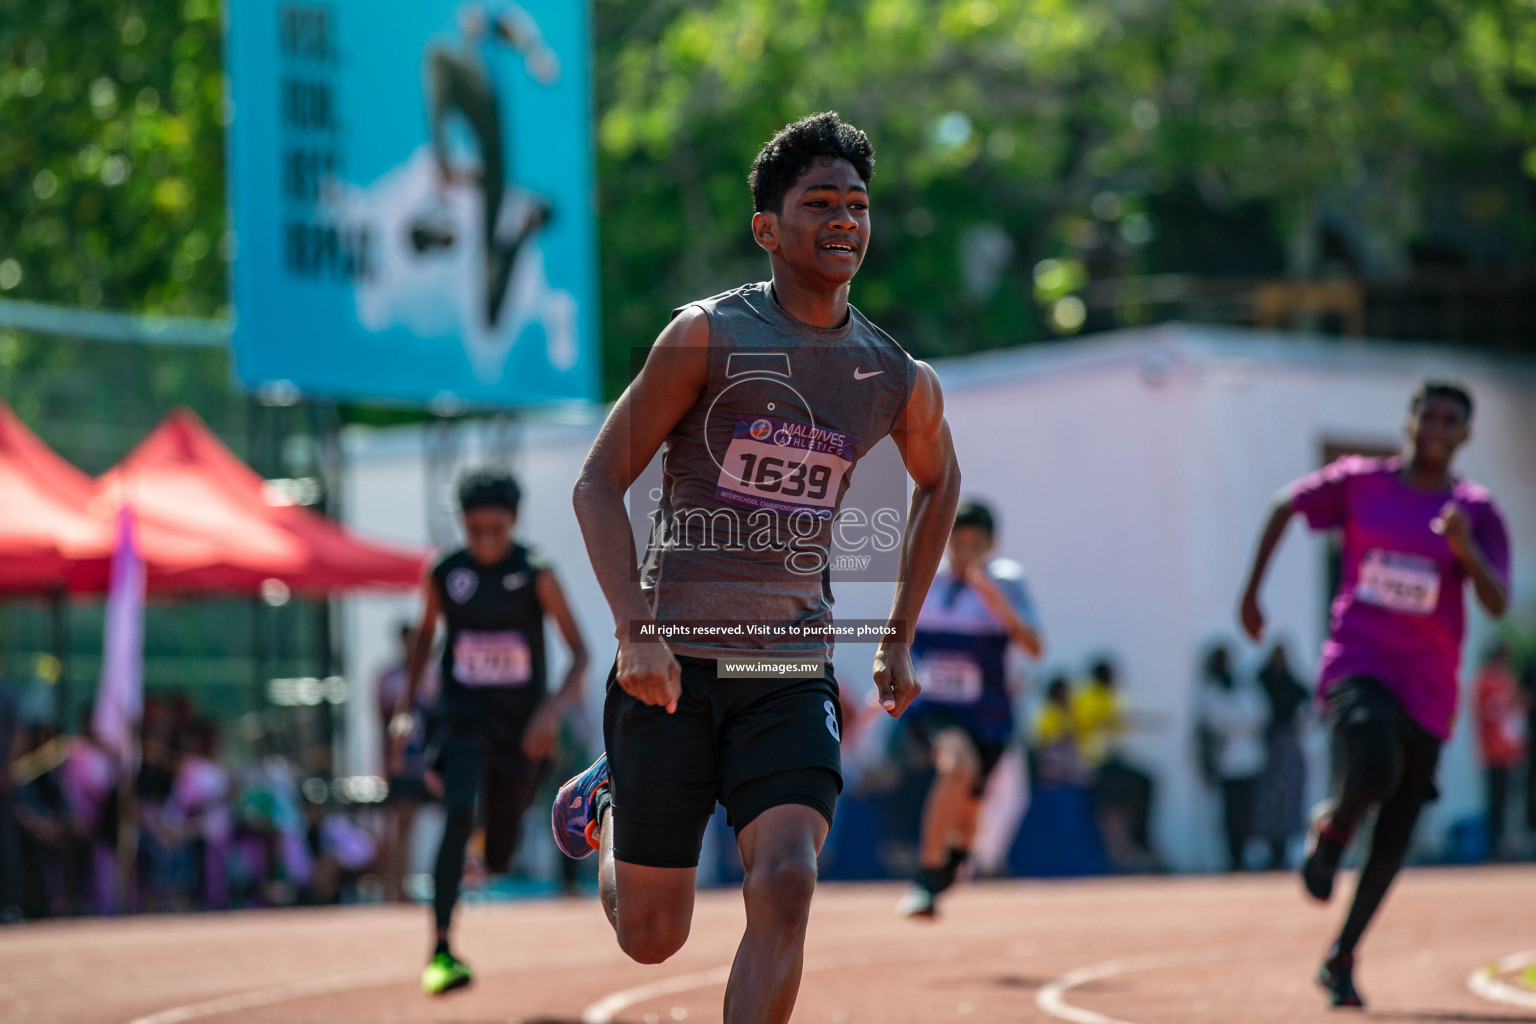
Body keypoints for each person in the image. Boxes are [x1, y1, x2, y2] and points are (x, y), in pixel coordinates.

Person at [552, 112, 960, 1024]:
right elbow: (597, 483)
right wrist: (635, 633)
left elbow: (941, 486)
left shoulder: (895, 375)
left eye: (857, 205)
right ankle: (613, 798)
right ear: (766, 228)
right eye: (819, 203)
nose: (845, 221)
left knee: (787, 883)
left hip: (787, 669)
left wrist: (897, 634)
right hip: (670, 672)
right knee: (653, 936)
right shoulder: (704, 337)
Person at [1239, 380, 1510, 1008]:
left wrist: (1464, 547)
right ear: (1409, 421)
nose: (1438, 427)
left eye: (1451, 420)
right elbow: (1286, 505)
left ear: (1465, 435)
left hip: (1430, 688)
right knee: (1375, 759)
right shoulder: (1362, 483)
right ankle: (1333, 831)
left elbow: (1495, 601)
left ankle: (1342, 956)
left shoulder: (1478, 510)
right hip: (1358, 660)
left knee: (1395, 834)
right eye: (1429, 414)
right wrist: (1252, 593)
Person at [391, 469, 589, 995]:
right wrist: (406, 710)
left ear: (515, 523)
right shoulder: (445, 572)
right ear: (462, 524)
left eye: (496, 531)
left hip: (520, 729)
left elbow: (581, 653)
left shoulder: (535, 573)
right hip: (462, 718)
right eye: (475, 530)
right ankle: (440, 947)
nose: (484, 542)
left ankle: (489, 844)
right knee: (456, 811)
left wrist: (549, 712)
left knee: (500, 852)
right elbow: (424, 638)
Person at [896, 499, 1042, 918]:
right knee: (956, 767)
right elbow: (899, 638)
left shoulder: (1008, 583)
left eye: (974, 544)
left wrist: (991, 594)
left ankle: (955, 858)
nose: (963, 552)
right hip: (936, 710)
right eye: (956, 543)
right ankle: (924, 878)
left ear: (991, 545)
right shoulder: (927, 582)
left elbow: (1034, 647)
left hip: (990, 716)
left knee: (971, 811)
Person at [411, 3, 559, 326]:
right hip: (480, 120)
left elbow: (510, 24)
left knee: (493, 231)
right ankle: (444, 169)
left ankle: (491, 301)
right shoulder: (462, 50)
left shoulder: (490, 19)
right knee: (438, 59)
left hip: (488, 107)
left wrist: (534, 52)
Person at [376, 623, 437, 902]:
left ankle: (399, 886)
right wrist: (385, 761)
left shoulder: (428, 676)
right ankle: (393, 887)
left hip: (421, 761)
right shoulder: (390, 678)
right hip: (401, 760)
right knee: (399, 823)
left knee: (409, 824)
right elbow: (381, 725)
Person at [1196, 644, 1270, 872]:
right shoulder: (1210, 692)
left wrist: (1237, 721)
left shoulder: (1245, 688)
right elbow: (1215, 722)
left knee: (1250, 811)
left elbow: (1260, 715)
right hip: (1226, 762)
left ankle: (1249, 853)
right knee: (1231, 813)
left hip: (1250, 759)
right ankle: (1233, 856)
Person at [1252, 643, 1310, 869]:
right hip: (1269, 748)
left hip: (1289, 744)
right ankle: (1270, 849)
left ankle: (1284, 850)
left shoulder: (1293, 684)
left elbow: (1308, 705)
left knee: (1289, 801)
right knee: (1269, 802)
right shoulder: (1261, 682)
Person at [1472, 644, 1526, 860]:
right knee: (1496, 800)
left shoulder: (1506, 680)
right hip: (1493, 751)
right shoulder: (1487, 681)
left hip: (1509, 751)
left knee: (1508, 801)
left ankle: (1505, 843)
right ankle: (1495, 846)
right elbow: (1491, 712)